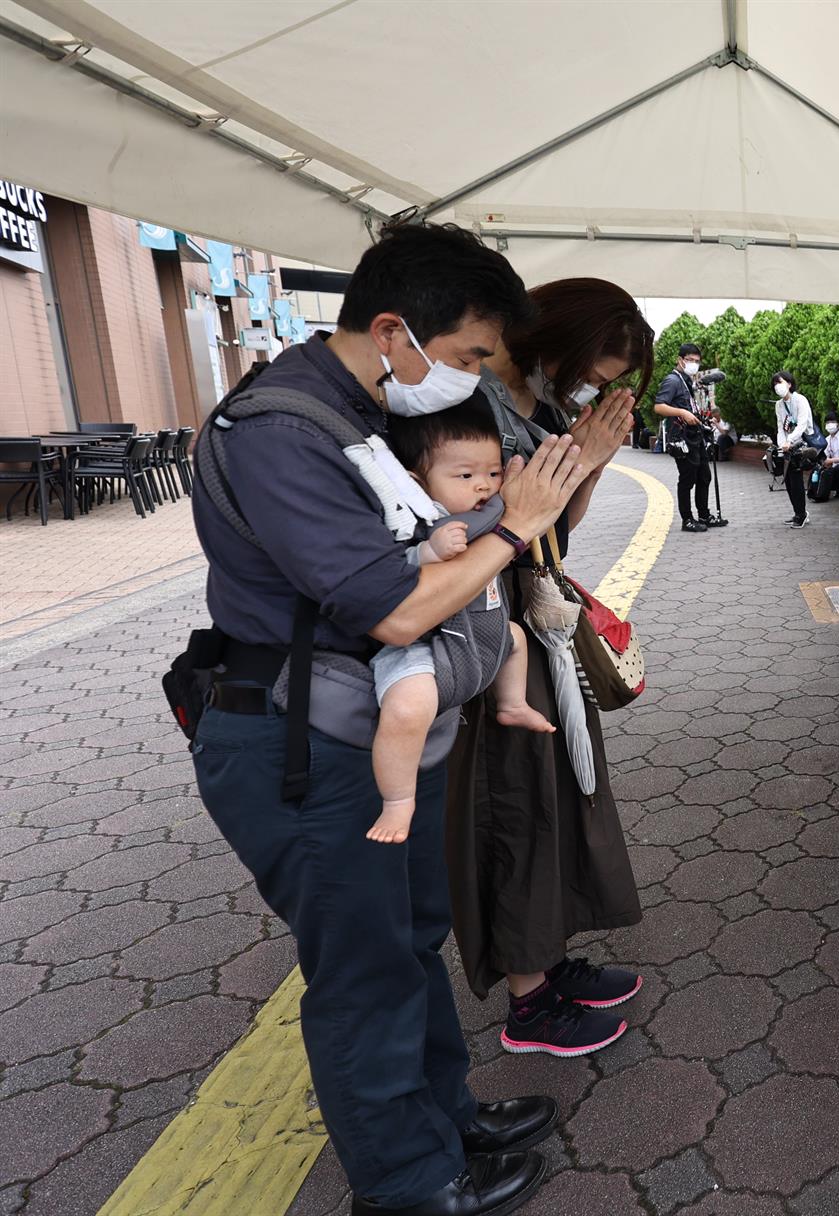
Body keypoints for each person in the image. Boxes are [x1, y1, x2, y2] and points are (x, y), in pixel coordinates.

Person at [189, 223, 583, 1216]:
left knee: (411, 936)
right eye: (466, 359)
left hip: (367, 730)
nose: (474, 382)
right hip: (303, 746)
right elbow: (398, 606)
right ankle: (407, 1183)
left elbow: (438, 543)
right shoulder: (280, 429)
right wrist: (519, 527)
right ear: (394, 329)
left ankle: (442, 1119)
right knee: (364, 968)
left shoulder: (355, 411)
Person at [449, 277, 652, 1059]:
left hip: (541, 620)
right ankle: (528, 1004)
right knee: (517, 800)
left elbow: (558, 525)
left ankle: (550, 961)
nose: (595, 386)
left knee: (563, 790)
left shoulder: (543, 405)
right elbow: (472, 522)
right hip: (493, 628)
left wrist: (593, 460)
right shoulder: (466, 404)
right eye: (597, 368)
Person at [366, 407, 554, 846]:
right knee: (407, 708)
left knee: (517, 639)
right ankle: (397, 799)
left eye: (491, 472)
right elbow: (398, 570)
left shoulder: (491, 513)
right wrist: (430, 551)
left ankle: (511, 703)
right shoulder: (418, 524)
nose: (484, 485)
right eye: (465, 476)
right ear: (418, 484)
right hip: (425, 649)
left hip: (480, 635)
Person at [653, 342, 726, 532]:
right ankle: (687, 520)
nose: (694, 364)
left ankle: (704, 515)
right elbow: (659, 406)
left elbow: (688, 407)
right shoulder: (672, 380)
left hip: (695, 436)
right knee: (687, 479)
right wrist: (683, 413)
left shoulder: (686, 381)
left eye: (697, 361)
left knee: (704, 476)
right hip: (681, 438)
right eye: (689, 360)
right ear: (680, 360)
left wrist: (702, 419)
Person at [773, 370, 815, 528]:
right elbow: (780, 427)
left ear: (789, 384)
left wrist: (789, 441)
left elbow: (803, 424)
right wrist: (782, 443)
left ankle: (801, 514)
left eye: (780, 382)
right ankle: (798, 512)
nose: (778, 386)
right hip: (788, 447)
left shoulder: (800, 400)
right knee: (789, 481)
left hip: (801, 445)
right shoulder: (779, 405)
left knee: (796, 479)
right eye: (775, 384)